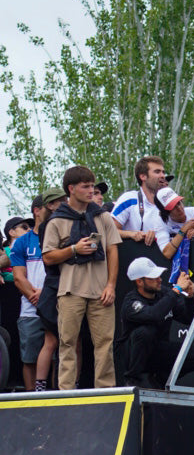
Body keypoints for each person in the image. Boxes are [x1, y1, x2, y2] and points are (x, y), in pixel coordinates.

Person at [41, 165, 121, 389]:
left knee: (105, 343)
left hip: (101, 290)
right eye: (86, 187)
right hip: (69, 290)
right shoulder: (57, 221)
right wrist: (74, 249)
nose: (91, 191)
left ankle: (105, 392)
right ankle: (65, 392)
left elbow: (113, 250)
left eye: (92, 186)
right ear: (71, 189)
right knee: (67, 342)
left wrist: (111, 285)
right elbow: (48, 257)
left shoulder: (102, 216)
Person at [116, 256, 194, 389]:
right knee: (145, 332)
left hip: (157, 351)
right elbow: (154, 315)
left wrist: (190, 298)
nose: (160, 279)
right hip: (133, 355)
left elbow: (188, 319)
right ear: (139, 282)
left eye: (159, 275)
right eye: (153, 277)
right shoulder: (131, 302)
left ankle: (160, 379)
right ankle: (132, 381)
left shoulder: (164, 293)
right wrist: (176, 290)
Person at [7, 215, 59, 390]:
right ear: (38, 210)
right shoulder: (21, 243)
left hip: (55, 305)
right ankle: (30, 400)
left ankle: (55, 399)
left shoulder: (58, 237)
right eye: (24, 226)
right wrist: (36, 297)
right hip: (30, 310)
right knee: (29, 359)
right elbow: (18, 278)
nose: (28, 229)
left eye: (29, 226)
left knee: (55, 358)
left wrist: (46, 296)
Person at [113, 155, 170, 246]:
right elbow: (110, 231)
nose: (162, 176)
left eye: (163, 172)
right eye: (157, 172)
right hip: (137, 257)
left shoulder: (168, 201)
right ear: (143, 176)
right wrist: (132, 234)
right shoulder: (129, 199)